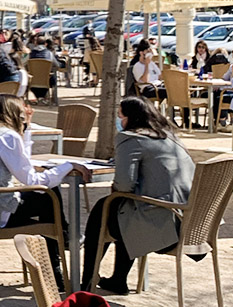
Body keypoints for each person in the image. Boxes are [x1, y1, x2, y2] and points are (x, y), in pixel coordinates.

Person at [0, 95, 91, 289]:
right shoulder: (7, 137)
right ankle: (61, 250)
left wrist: (26, 130)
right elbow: (31, 179)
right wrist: (68, 166)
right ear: (13, 113)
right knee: (49, 194)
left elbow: (21, 161)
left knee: (47, 200)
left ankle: (63, 242)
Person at [81, 96, 194, 294]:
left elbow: (124, 184)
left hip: (162, 224)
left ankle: (87, 280)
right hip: (189, 223)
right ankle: (118, 279)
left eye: (120, 116)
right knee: (121, 208)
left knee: (105, 208)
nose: (119, 121)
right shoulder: (170, 137)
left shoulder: (130, 138)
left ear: (131, 118)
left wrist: (117, 189)